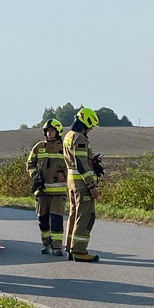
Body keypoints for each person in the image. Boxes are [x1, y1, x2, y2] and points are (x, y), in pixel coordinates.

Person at [63, 108, 101, 262]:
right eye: (91, 126)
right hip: (82, 185)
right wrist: (91, 186)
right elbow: (80, 163)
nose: (91, 129)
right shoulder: (80, 138)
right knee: (85, 216)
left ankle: (70, 247)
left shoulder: (68, 136)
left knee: (74, 214)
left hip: (72, 183)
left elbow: (76, 161)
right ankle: (79, 250)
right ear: (86, 122)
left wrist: (92, 160)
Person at [27, 119, 68, 255]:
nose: (49, 133)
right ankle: (46, 244)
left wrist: (64, 174)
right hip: (42, 191)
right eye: (47, 131)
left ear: (58, 132)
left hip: (58, 192)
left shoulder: (65, 148)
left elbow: (72, 166)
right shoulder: (39, 147)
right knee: (43, 220)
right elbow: (30, 164)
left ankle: (57, 247)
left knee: (56, 220)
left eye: (52, 130)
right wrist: (35, 175)